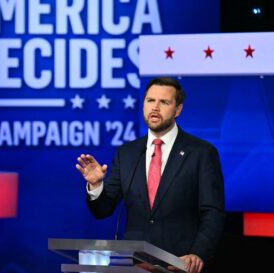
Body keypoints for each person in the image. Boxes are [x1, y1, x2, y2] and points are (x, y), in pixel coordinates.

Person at [76, 77, 225, 273]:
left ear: (178, 109)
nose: (155, 107)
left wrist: (198, 254)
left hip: (180, 265)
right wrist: (96, 186)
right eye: (150, 100)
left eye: (164, 102)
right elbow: (103, 210)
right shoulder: (127, 153)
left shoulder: (201, 153)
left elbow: (212, 213)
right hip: (136, 266)